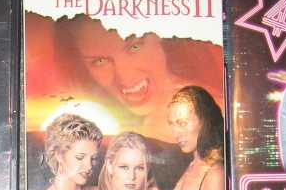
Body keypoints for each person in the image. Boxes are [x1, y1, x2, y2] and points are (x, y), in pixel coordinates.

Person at [53, 14, 223, 140]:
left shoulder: (211, 119)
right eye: (100, 61)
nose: (125, 77)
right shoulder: (97, 128)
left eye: (134, 47)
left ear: (160, 36)